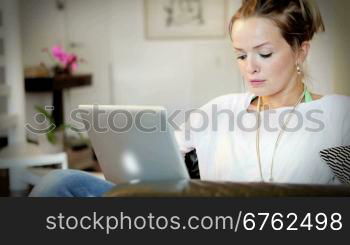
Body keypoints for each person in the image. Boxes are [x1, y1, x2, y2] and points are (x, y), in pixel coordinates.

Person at [29, 0, 350, 197]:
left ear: (300, 50)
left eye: (264, 54)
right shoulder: (219, 109)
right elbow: (159, 160)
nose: (250, 68)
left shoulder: (337, 114)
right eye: (240, 55)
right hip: (193, 219)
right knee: (59, 184)